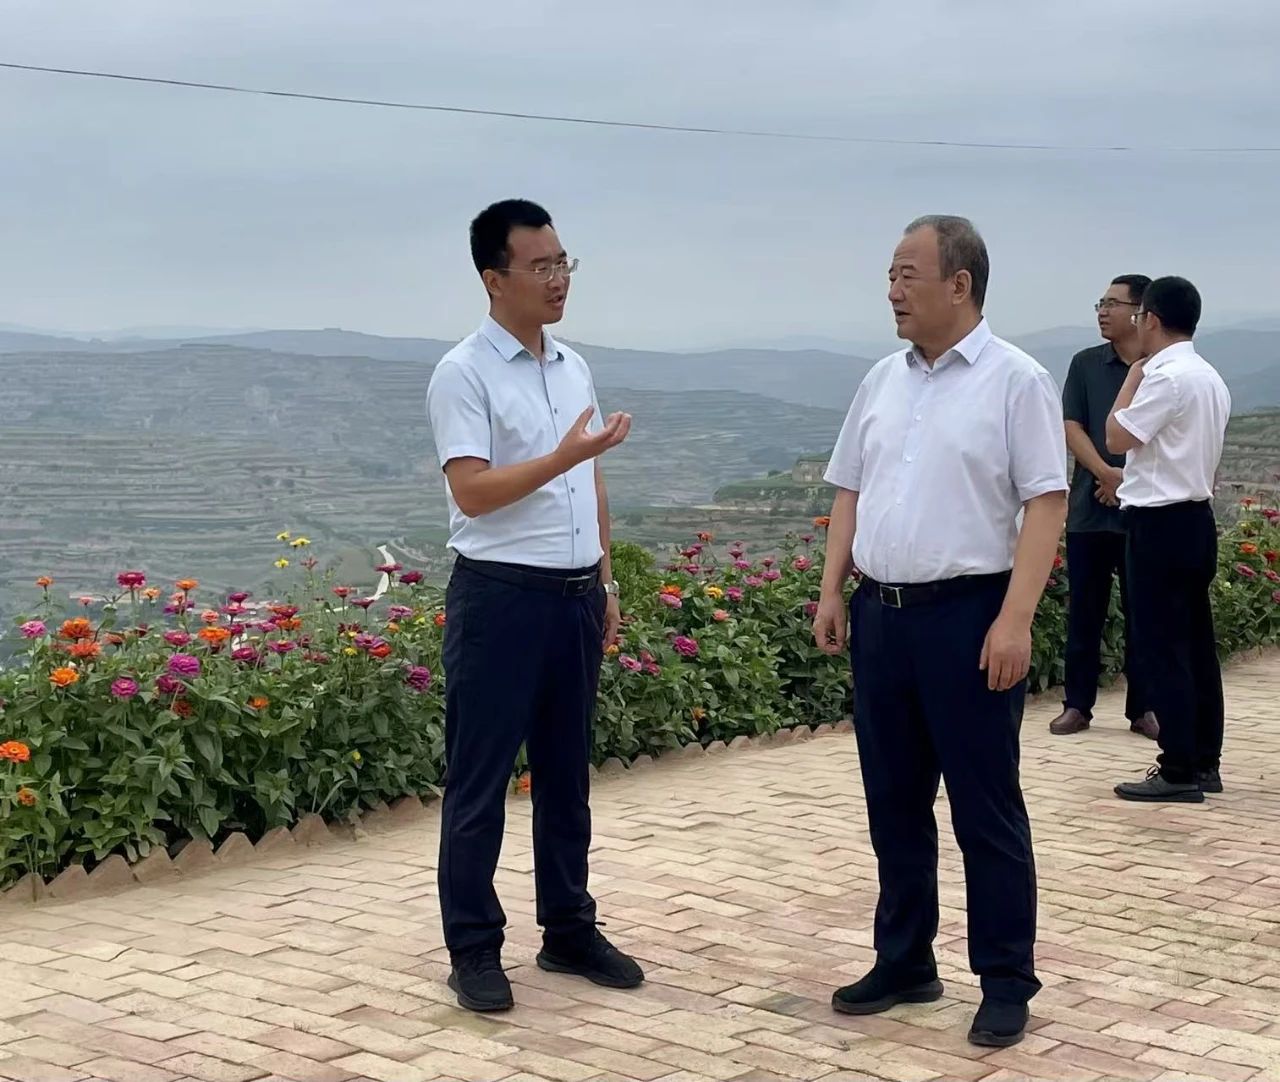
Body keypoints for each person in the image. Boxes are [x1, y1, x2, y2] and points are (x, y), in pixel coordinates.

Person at [814, 215, 1067, 1049]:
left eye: (907, 275)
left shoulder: (1016, 380)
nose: (892, 291)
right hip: (882, 617)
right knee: (893, 802)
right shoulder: (881, 381)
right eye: (890, 275)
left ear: (959, 284)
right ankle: (904, 960)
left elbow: (1046, 502)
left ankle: (1006, 978)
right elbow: (849, 488)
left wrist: (1015, 619)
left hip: (970, 617)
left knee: (984, 808)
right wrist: (832, 590)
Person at [425, 198, 643, 1013]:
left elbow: (592, 480)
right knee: (480, 781)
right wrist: (564, 455)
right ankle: (474, 948)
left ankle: (569, 930)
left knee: (565, 775)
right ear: (495, 278)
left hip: (574, 597)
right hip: (500, 599)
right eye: (541, 266)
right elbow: (474, 492)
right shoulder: (463, 373)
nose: (558, 279)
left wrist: (606, 580)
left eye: (563, 263)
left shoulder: (572, 366)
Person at [1107, 276, 1230, 803]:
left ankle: (1178, 766)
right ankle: (1204, 760)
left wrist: (1132, 377)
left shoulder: (1164, 378)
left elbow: (1116, 436)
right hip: (1196, 520)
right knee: (1197, 644)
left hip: (1159, 524)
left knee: (1163, 646)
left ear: (1152, 320)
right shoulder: (1210, 377)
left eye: (1139, 317)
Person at [1050, 275, 1159, 739]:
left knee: (1144, 614)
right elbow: (1071, 426)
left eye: (1112, 303)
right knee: (1084, 613)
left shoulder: (1160, 370)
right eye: (1101, 302)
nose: (1102, 311)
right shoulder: (1085, 364)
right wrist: (1106, 474)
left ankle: (1144, 708)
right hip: (1089, 511)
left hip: (1143, 512)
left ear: (1140, 313)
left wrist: (1126, 482)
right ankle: (1077, 705)